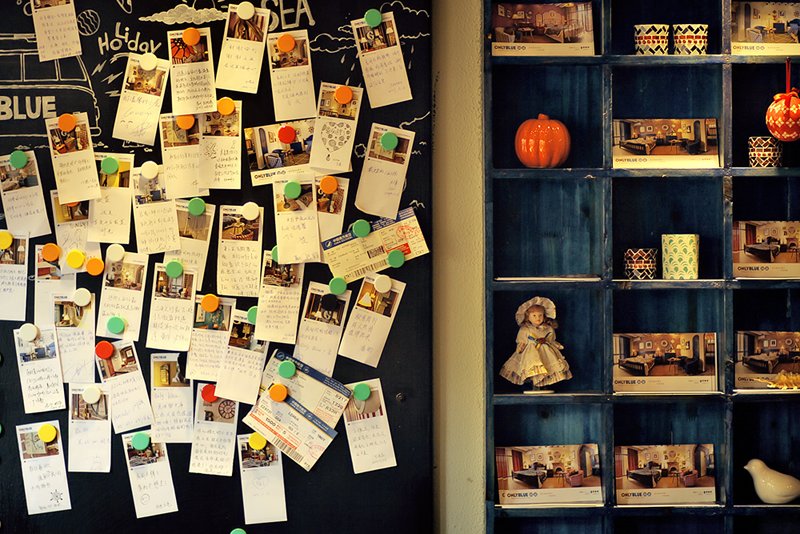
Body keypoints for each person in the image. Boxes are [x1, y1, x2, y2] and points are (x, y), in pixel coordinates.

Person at [499, 296, 572, 388]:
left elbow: (551, 340)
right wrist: (520, 348)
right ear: (527, 317)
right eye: (534, 315)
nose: (538, 318)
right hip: (531, 353)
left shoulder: (548, 328)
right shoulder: (525, 329)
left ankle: (543, 385)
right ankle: (535, 386)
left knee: (547, 367)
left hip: (546, 353)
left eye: (540, 315)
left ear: (544, 316)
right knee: (533, 367)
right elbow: (521, 341)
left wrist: (555, 345)